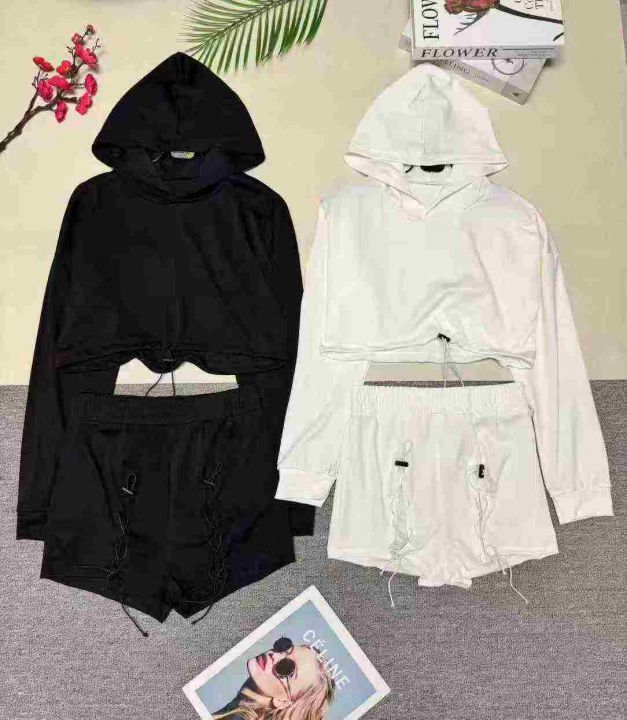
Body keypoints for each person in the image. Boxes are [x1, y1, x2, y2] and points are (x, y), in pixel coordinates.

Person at [213, 637, 335, 720]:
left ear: (282, 702)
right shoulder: (234, 710)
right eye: (284, 648)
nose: (274, 655)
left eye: (286, 667)